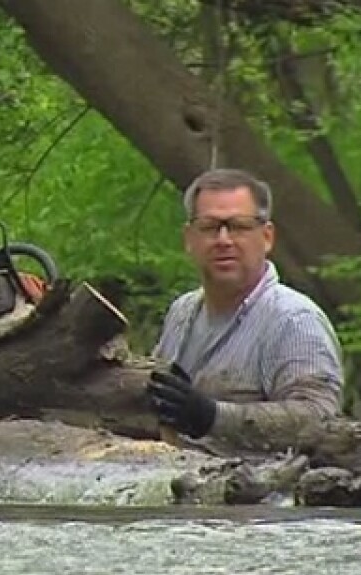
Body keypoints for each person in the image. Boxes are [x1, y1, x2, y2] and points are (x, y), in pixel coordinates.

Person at [147, 168, 345, 448]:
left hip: (265, 477)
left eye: (239, 226)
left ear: (267, 237)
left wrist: (213, 416)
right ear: (189, 238)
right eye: (209, 227)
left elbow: (319, 419)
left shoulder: (294, 321)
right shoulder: (182, 313)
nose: (224, 240)